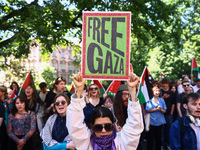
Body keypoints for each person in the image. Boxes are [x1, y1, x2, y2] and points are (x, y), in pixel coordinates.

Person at [67, 64, 144, 150]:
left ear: (114, 125)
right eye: (98, 127)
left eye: (108, 126)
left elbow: (135, 126)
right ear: (92, 127)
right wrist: (79, 90)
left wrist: (132, 90)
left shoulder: (120, 142)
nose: (103, 131)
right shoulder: (86, 144)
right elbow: (75, 126)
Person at [160, 78, 176, 149]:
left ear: (168, 84)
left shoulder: (172, 93)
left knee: (169, 129)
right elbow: (156, 101)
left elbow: (173, 103)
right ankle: (162, 144)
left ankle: (168, 144)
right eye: (163, 83)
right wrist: (163, 97)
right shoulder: (159, 92)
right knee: (161, 129)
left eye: (166, 83)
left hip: (169, 113)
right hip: (160, 113)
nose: (165, 85)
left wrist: (171, 112)